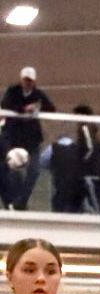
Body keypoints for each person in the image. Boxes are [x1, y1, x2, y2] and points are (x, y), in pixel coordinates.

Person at [0, 67, 55, 210]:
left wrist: (37, 108)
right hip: (13, 137)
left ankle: (21, 201)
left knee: (34, 171)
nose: (27, 83)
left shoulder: (38, 94)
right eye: (25, 80)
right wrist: (25, 109)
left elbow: (51, 108)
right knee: (12, 168)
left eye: (30, 80)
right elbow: (6, 104)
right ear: (21, 79)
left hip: (31, 139)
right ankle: (11, 201)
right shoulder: (13, 91)